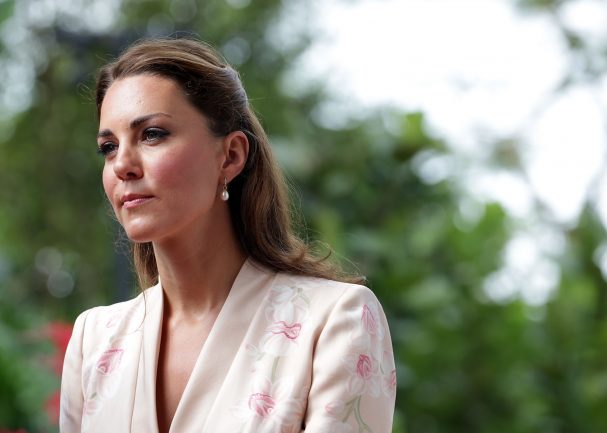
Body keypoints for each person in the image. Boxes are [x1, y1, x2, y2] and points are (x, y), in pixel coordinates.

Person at [60, 37, 396, 433]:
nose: (123, 165)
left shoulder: (334, 321)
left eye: (152, 134)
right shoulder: (95, 340)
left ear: (231, 156)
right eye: (109, 147)